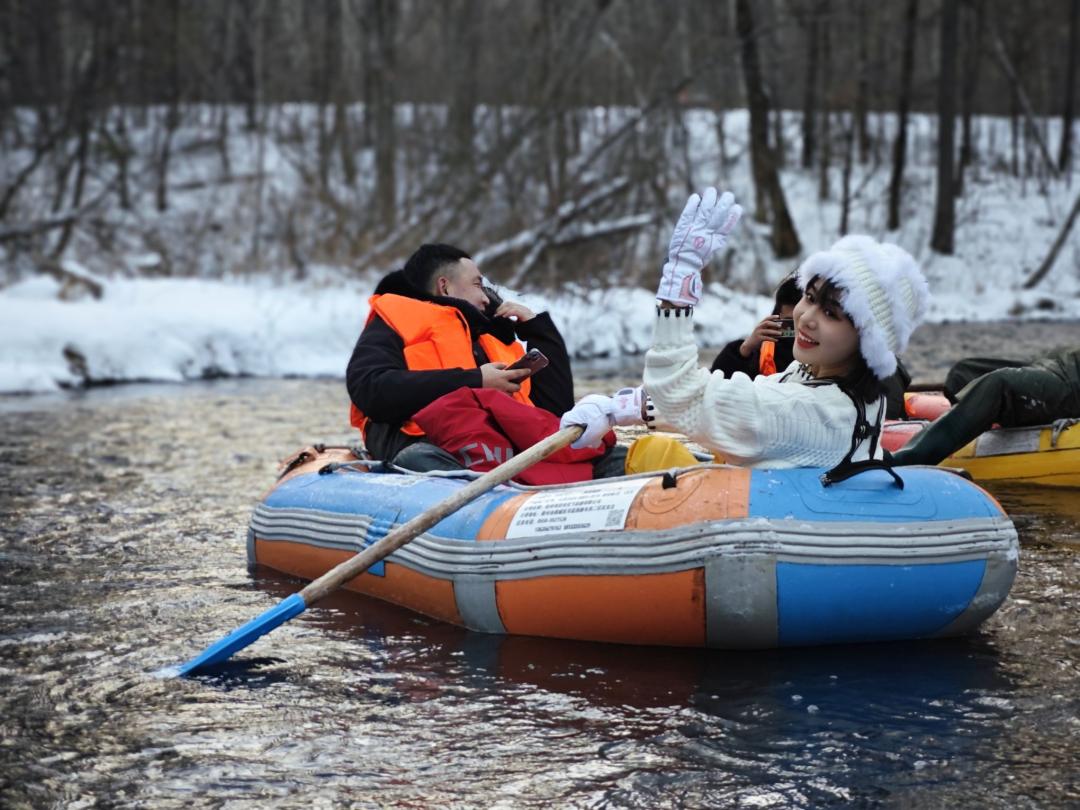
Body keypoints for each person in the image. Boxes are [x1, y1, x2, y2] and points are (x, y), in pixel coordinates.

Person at [560, 188, 931, 473]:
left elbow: (682, 393)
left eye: (831, 313)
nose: (805, 317)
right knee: (659, 450)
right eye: (810, 298)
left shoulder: (814, 414)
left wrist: (678, 287)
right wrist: (622, 407)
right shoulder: (826, 384)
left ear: (869, 340)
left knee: (647, 455)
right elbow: (742, 394)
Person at [347, 243, 583, 473]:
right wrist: (475, 381)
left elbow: (555, 412)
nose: (486, 298)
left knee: (601, 453)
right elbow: (370, 388)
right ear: (445, 287)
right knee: (419, 457)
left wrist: (538, 331)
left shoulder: (489, 338)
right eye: (477, 284)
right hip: (428, 451)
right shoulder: (394, 322)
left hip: (498, 455)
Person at [890, 347, 1080, 467]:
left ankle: (907, 459)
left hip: (1068, 385)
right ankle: (971, 418)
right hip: (1053, 364)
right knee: (963, 371)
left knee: (999, 383)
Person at [710, 276, 800, 379]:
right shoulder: (763, 350)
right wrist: (744, 349)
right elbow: (716, 380)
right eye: (791, 324)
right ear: (777, 318)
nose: (799, 330)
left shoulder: (821, 355)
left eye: (803, 322)